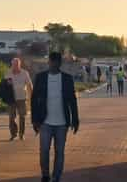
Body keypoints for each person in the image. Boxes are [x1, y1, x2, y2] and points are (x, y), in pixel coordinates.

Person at [31, 52, 79, 182]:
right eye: (52, 62)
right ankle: (45, 174)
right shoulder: (41, 77)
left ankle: (56, 176)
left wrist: (75, 120)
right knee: (44, 150)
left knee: (60, 152)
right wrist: (34, 120)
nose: (53, 65)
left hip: (62, 123)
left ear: (60, 63)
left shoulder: (67, 79)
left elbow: (72, 101)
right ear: (49, 62)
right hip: (45, 122)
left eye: (56, 63)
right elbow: (34, 99)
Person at [4, 57, 33, 140]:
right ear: (11, 65)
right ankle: (13, 134)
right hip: (11, 99)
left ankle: (21, 134)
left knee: (22, 116)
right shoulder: (8, 73)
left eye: (17, 64)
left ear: (19, 65)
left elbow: (29, 85)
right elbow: (5, 86)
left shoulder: (24, 73)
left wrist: (31, 96)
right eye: (14, 64)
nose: (15, 66)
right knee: (11, 117)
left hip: (22, 98)